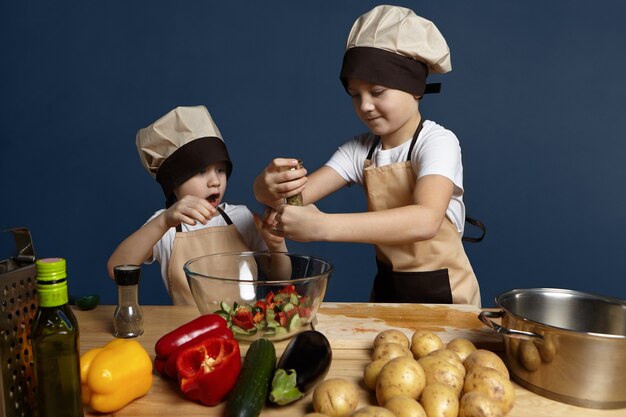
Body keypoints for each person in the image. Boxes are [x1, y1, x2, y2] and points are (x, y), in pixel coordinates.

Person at [253, 5, 481, 306]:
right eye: (355, 94)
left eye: (377, 91)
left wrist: (323, 227)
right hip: (388, 295)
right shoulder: (360, 150)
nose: (365, 106)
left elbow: (426, 220)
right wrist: (266, 186)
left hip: (448, 299)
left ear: (414, 88)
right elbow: (292, 201)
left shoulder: (438, 142)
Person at [108, 105, 286, 305]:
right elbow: (117, 268)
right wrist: (163, 221)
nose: (215, 181)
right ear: (174, 182)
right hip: (190, 330)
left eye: (220, 170)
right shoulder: (165, 228)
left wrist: (277, 246)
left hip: (243, 328)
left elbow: (279, 278)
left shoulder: (241, 217)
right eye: (202, 171)